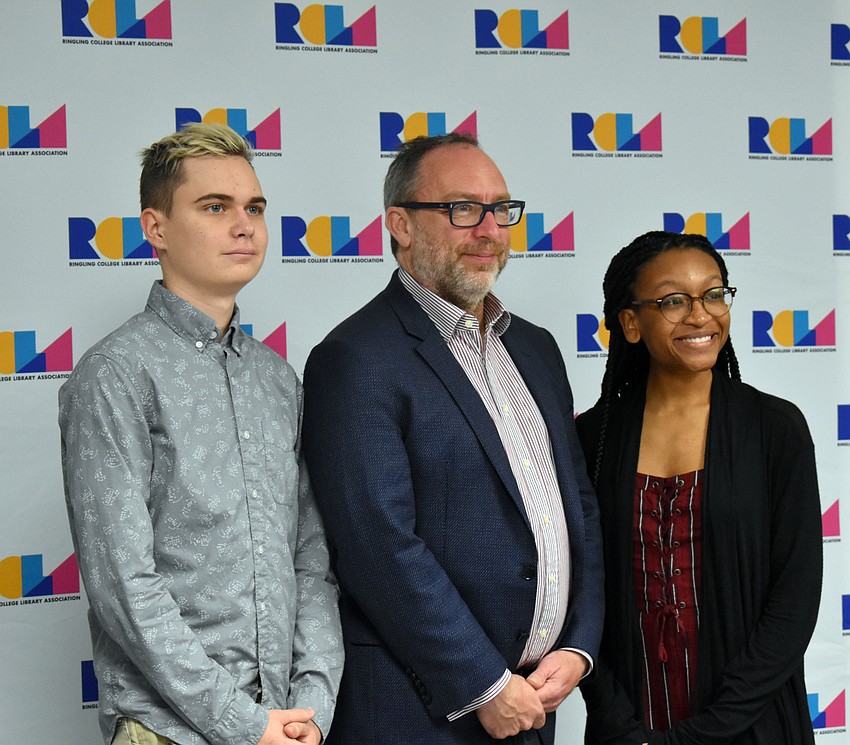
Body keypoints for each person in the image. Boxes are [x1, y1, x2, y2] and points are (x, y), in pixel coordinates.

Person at [300, 132, 604, 744]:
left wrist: (579, 644)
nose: (489, 228)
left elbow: (577, 509)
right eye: (463, 209)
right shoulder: (355, 357)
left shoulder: (537, 348)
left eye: (502, 210)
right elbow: (376, 547)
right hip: (424, 713)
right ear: (401, 225)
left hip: (537, 705)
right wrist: (483, 684)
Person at [59, 123, 343, 745]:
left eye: (255, 208)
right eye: (215, 207)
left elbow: (311, 557)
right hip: (170, 732)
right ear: (156, 228)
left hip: (287, 727)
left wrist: (313, 706)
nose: (244, 225)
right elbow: (122, 585)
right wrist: (243, 724)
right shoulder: (112, 376)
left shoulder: (276, 378)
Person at [576, 230, 822, 744]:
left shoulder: (774, 429)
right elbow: (581, 595)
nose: (700, 315)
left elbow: (793, 602)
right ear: (630, 323)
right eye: (673, 301)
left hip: (750, 724)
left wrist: (707, 732)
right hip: (628, 730)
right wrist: (618, 722)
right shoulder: (591, 437)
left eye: (714, 294)